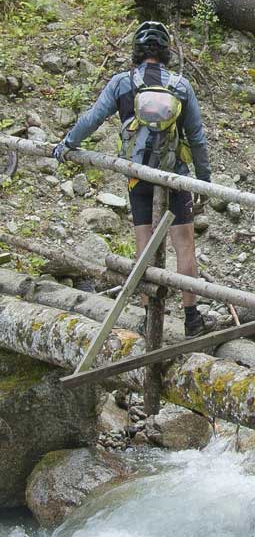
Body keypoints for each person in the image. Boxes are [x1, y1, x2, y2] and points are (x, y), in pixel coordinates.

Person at [53, 20, 213, 338]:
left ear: (136, 52)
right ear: (166, 53)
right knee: (184, 247)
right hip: (175, 178)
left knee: (143, 247)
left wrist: (66, 144)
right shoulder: (181, 86)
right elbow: (196, 138)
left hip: (138, 176)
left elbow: (93, 118)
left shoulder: (122, 83)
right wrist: (203, 181)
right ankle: (192, 319)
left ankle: (146, 316)